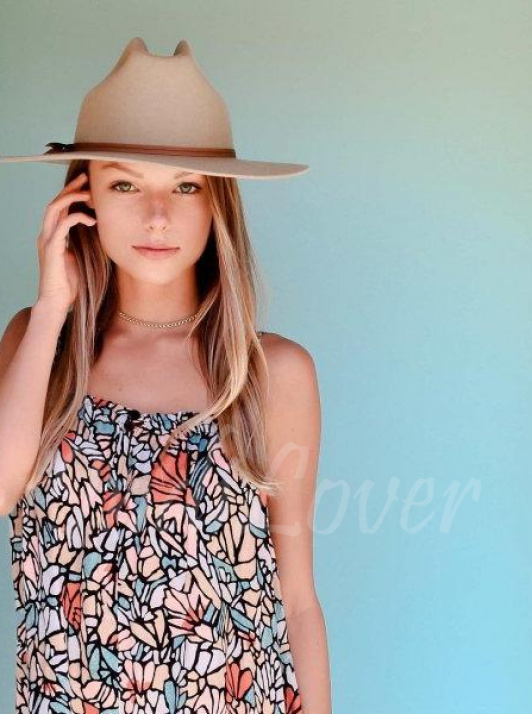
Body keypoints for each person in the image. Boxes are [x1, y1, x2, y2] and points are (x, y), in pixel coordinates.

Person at [0, 38, 332, 713]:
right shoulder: (40, 346)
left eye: (186, 186)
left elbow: (297, 599)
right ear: (82, 198)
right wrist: (53, 306)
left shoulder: (271, 373)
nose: (157, 216)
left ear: (217, 204)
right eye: (125, 184)